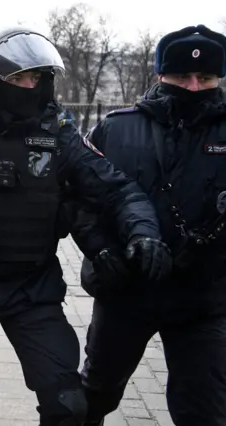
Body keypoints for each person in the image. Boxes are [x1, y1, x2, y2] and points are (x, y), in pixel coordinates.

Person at [0, 27, 173, 426]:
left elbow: (117, 190)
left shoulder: (60, 136)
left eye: (36, 78)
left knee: (67, 402)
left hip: (32, 288)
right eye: (18, 78)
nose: (29, 86)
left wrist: (143, 232)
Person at [64, 25, 226, 426]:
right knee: (93, 397)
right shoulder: (116, 128)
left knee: (205, 411)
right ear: (160, 76)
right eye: (181, 77)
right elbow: (81, 201)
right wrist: (101, 250)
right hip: (126, 292)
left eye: (204, 78)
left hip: (203, 301)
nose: (192, 87)